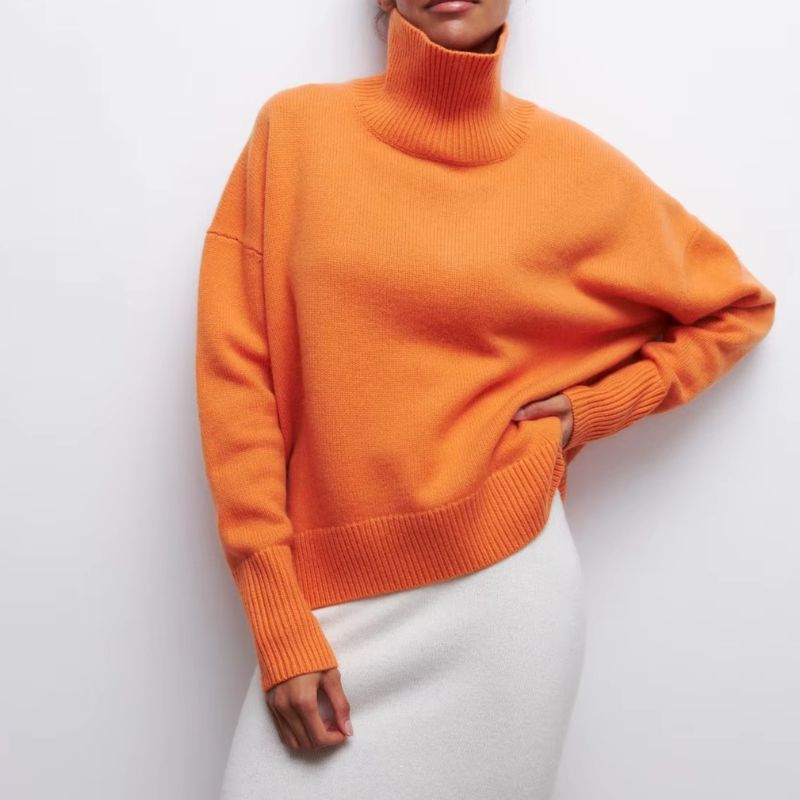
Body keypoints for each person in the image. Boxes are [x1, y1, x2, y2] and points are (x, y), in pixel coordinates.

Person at [194, 2, 777, 797]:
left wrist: (591, 410)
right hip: (323, 602)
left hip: (501, 602)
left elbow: (737, 307)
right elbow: (237, 379)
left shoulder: (568, 166)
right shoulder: (296, 133)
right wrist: (278, 617)